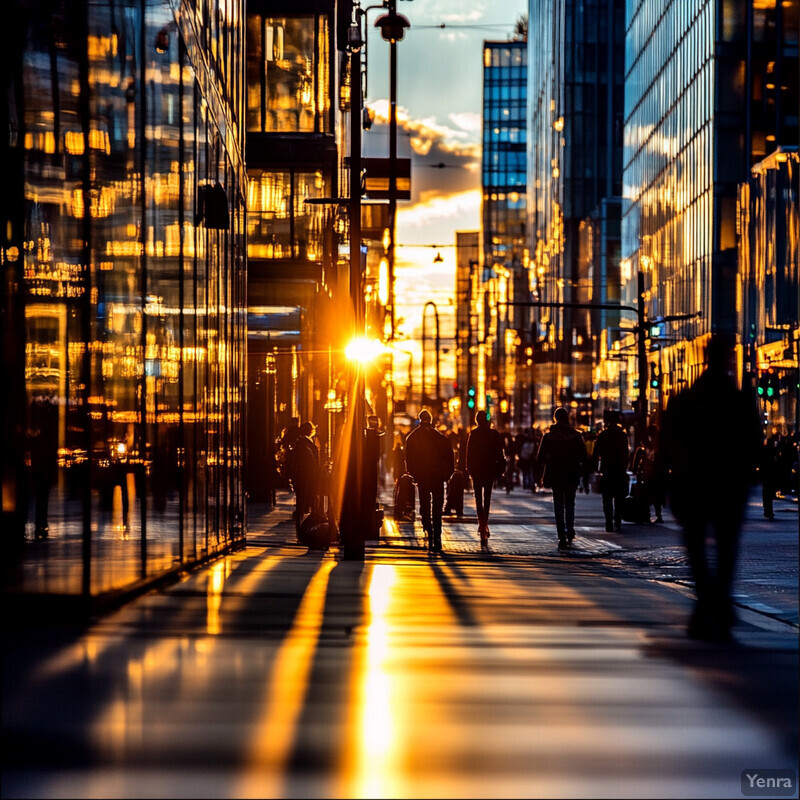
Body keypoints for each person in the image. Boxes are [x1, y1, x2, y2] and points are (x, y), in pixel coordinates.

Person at [657, 335, 762, 642]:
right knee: (727, 549)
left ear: (704, 358)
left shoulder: (685, 399)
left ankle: (707, 604)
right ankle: (719, 606)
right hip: (729, 485)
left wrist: (661, 481)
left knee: (696, 549)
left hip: (693, 484)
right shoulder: (741, 400)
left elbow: (666, 444)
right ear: (728, 359)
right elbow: (754, 445)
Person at [536, 407, 586, 550]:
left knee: (558, 503)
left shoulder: (549, 437)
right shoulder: (576, 436)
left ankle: (561, 534)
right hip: (571, 473)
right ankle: (569, 530)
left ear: (555, 418)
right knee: (570, 503)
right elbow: (583, 456)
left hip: (555, 474)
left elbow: (540, 458)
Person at [404, 409, 454, 553]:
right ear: (431, 420)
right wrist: (447, 474)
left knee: (425, 504)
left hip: (423, 476)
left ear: (420, 420)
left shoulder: (412, 437)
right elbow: (449, 458)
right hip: (438, 477)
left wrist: (413, 474)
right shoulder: (441, 438)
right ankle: (437, 534)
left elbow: (409, 459)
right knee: (437, 507)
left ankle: (428, 528)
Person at [466, 410, 506, 549]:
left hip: (477, 470)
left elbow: (469, 454)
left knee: (478, 499)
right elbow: (499, 453)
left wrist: (469, 469)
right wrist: (500, 469)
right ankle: (485, 525)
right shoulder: (494, 434)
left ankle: (481, 525)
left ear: (477, 420)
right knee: (487, 498)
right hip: (489, 470)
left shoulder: (474, 434)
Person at [592, 409, 630, 532]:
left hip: (607, 470)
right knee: (619, 497)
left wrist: (595, 467)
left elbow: (596, 453)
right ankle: (617, 517)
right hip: (619, 469)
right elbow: (626, 453)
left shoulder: (603, 435)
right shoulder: (622, 435)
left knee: (607, 498)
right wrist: (625, 465)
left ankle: (608, 520)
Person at [288, 421, 320, 528]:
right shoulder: (305, 444)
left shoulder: (302, 443)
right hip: (306, 475)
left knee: (303, 497)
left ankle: (302, 515)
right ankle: (303, 518)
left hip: (303, 475)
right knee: (305, 497)